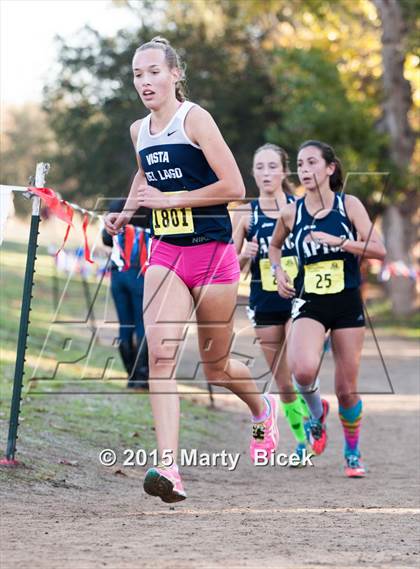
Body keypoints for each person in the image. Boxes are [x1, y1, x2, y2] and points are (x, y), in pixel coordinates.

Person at [104, 37, 279, 502]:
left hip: (213, 252)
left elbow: (234, 185)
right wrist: (125, 213)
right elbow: (146, 175)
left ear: (175, 74)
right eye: (138, 74)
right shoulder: (138, 130)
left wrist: (176, 199)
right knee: (161, 357)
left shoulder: (194, 118)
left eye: (154, 72)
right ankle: (169, 469)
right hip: (165, 252)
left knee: (216, 368)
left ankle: (263, 410)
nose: (145, 82)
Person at [269, 140, 386, 477]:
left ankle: (352, 451)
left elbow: (379, 249)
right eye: (301, 165)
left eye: (312, 163)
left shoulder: (348, 205)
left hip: (346, 302)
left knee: (347, 390)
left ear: (330, 168)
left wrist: (342, 243)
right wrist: (279, 272)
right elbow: (275, 247)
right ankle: (317, 413)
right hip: (310, 302)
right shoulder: (291, 211)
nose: (305, 171)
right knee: (302, 371)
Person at [233, 143, 311, 465]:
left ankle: (312, 426)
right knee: (282, 383)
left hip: (298, 298)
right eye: (260, 167)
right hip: (263, 301)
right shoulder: (245, 214)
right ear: (253, 172)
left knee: (297, 367)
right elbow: (230, 269)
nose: (266, 173)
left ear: (284, 171)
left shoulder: (299, 207)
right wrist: (244, 255)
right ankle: (301, 439)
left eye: (272, 167)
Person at [102, 198, 150, 390]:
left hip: (118, 274)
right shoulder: (156, 206)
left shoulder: (117, 207)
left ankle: (130, 375)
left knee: (125, 326)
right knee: (142, 325)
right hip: (141, 274)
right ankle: (141, 376)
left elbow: (106, 239)